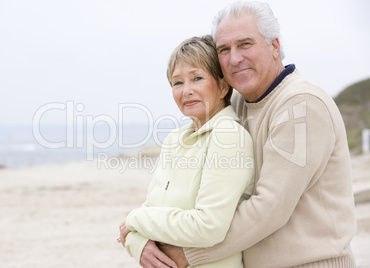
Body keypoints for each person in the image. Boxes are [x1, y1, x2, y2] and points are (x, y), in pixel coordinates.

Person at [140, 1, 357, 268]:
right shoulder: (239, 105)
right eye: (224, 49)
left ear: (274, 46)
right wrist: (142, 241)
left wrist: (187, 254)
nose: (234, 58)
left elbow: (269, 209)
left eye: (245, 44)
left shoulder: (302, 105)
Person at [118, 35, 255, 268]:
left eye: (197, 78)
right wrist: (136, 242)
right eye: (177, 82)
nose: (186, 91)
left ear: (223, 86)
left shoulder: (229, 136)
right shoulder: (175, 140)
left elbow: (207, 227)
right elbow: (153, 208)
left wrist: (133, 220)